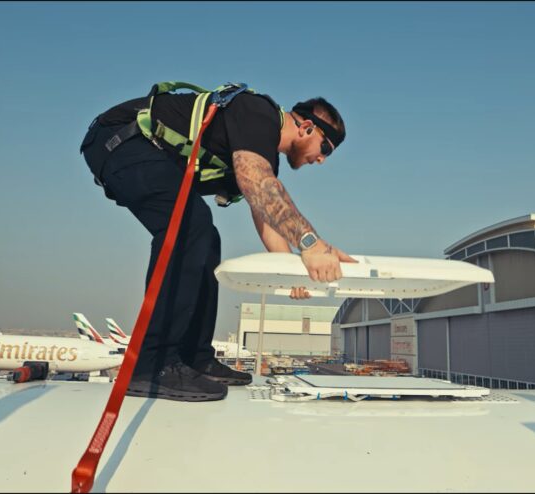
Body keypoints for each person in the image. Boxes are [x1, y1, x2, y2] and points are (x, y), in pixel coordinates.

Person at [80, 82, 355, 402]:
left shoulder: (264, 147)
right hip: (121, 139)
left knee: (205, 238)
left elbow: (265, 214)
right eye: (326, 149)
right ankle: (151, 366)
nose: (321, 160)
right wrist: (312, 244)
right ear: (307, 127)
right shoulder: (258, 113)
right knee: (189, 224)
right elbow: (258, 182)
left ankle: (196, 358)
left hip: (141, 153)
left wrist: (289, 270)